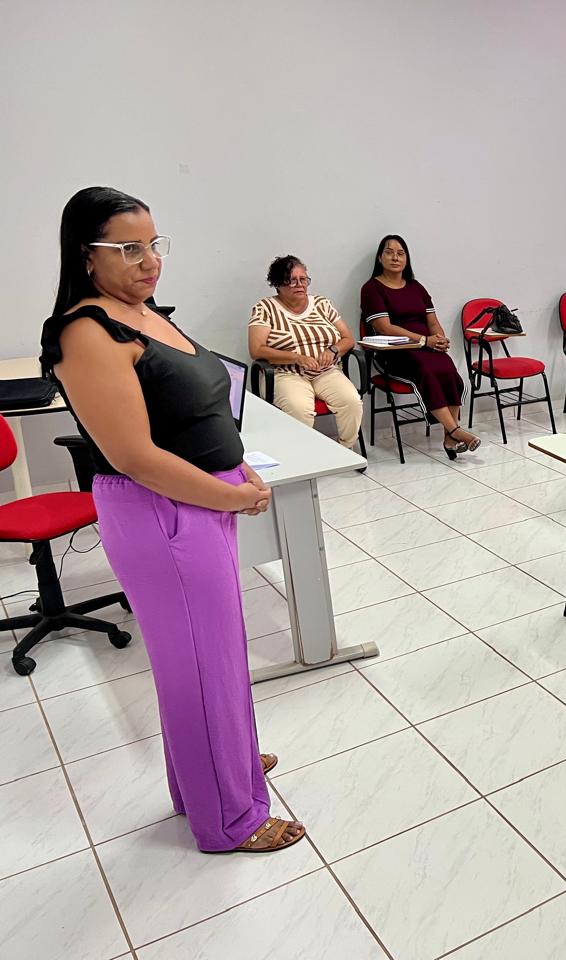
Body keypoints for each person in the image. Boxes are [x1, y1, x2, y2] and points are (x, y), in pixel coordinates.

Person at [39, 187, 304, 853]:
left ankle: (219, 765)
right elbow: (134, 457)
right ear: (86, 255)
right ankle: (230, 820)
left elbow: (197, 408)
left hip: (201, 501)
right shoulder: (86, 331)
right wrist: (231, 496)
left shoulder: (142, 313)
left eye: (154, 244)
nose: (150, 260)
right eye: (129, 248)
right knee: (199, 666)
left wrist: (236, 471)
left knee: (213, 655)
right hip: (162, 512)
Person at [359, 234, 477, 457]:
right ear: (380, 258)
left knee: (447, 367)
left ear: (407, 259)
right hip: (395, 351)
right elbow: (384, 327)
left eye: (400, 253)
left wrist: (439, 339)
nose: (395, 258)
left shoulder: (416, 287)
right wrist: (423, 340)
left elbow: (432, 322)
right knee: (426, 370)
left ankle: (450, 437)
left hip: (426, 346)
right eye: (389, 252)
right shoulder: (371, 288)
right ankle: (455, 430)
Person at [248, 255, 361, 448]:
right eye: (292, 280)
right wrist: (296, 357)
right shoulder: (265, 308)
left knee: (352, 402)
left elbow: (348, 339)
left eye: (304, 279)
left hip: (326, 371)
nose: (300, 285)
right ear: (278, 284)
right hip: (286, 373)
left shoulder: (322, 304)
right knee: (300, 410)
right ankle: (304, 455)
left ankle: (345, 449)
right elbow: (256, 350)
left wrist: (333, 350)